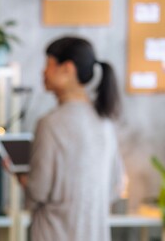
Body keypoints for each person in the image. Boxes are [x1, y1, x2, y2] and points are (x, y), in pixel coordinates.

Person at [22, 36, 124, 241]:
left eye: (49, 65)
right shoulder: (105, 122)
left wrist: (22, 178)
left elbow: (38, 192)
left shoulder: (50, 124)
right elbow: (116, 186)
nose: (43, 72)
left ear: (68, 69)